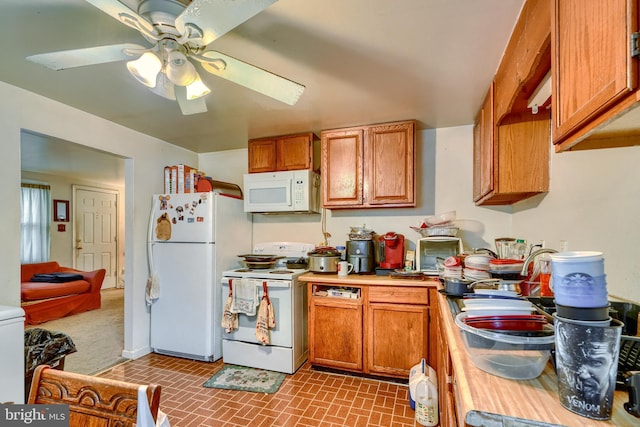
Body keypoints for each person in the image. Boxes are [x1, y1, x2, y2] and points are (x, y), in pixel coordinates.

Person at [556, 320, 619, 417]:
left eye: (595, 363)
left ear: (613, 357)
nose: (583, 375)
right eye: (577, 361)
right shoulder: (568, 390)